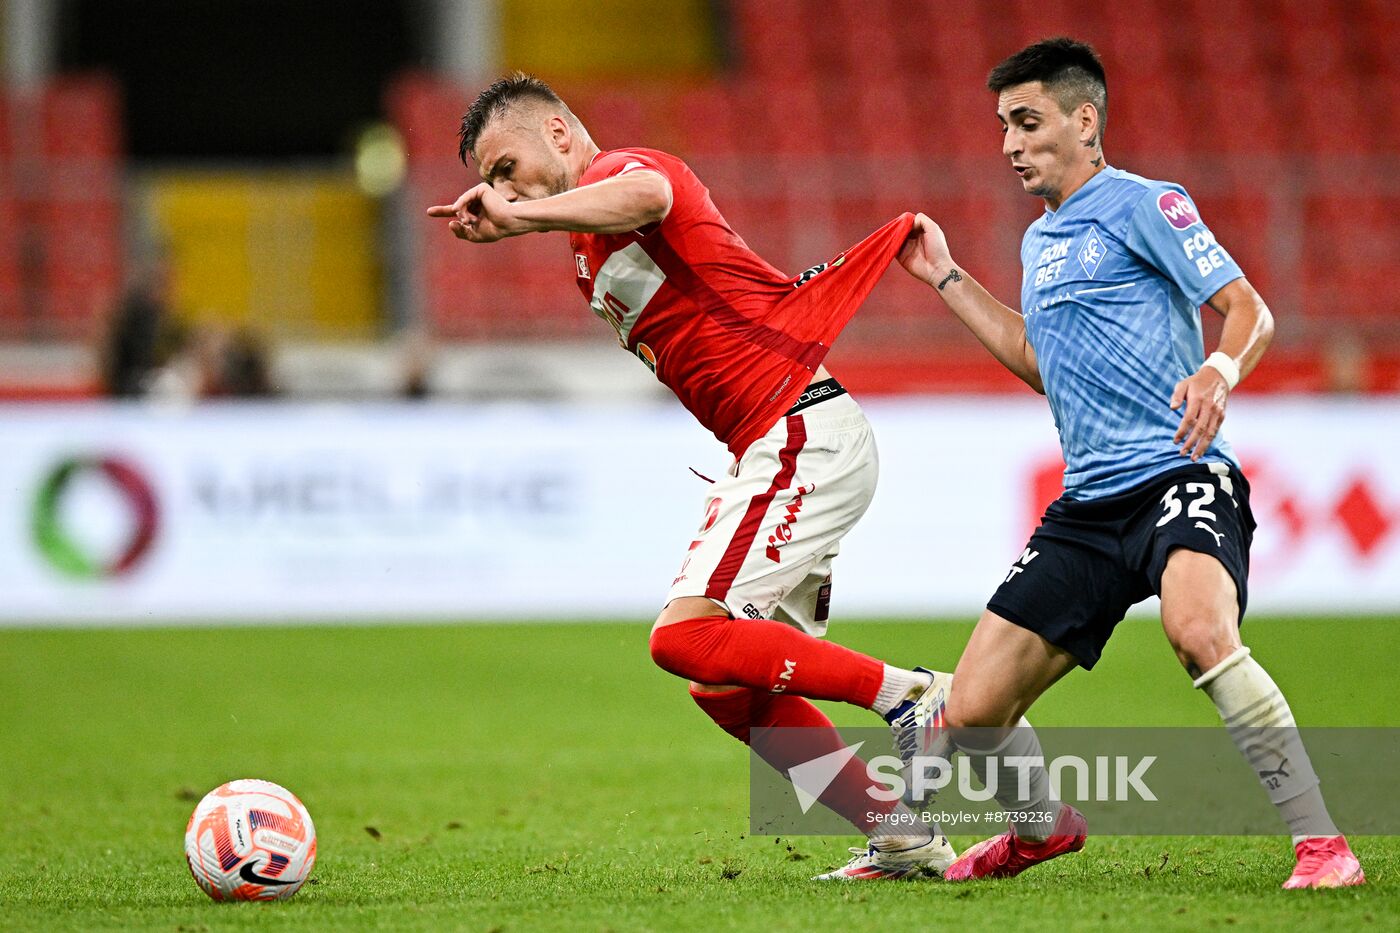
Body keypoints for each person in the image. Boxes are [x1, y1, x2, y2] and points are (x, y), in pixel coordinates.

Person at [427, 74, 954, 879]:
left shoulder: (623, 171)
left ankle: (911, 694)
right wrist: (521, 218)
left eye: (507, 166)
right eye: (493, 181)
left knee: (684, 635)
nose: (504, 188)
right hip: (778, 441)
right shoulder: (581, 240)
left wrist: (520, 213)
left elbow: (645, 196)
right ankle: (901, 835)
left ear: (561, 134)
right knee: (723, 682)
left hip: (797, 432)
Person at [895, 38, 1364, 889]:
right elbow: (1041, 361)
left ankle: (1323, 843)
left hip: (1179, 474)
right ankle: (1039, 830)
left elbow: (1247, 308)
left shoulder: (1146, 203)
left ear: (1085, 120)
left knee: (1199, 633)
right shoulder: (1040, 244)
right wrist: (948, 277)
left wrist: (1219, 369)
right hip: (1088, 507)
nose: (1009, 144)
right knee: (971, 711)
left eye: (1027, 122)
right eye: (1002, 125)